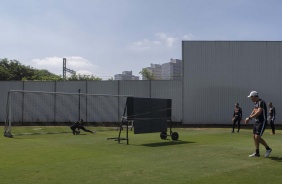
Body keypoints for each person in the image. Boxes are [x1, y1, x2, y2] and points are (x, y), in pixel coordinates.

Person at [245, 91, 272, 157]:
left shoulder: (261, 102)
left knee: (257, 137)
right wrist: (249, 117)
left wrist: (250, 118)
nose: (251, 98)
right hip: (256, 121)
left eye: (251, 97)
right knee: (254, 136)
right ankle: (257, 153)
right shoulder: (256, 103)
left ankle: (268, 149)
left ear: (254, 96)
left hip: (262, 122)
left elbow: (259, 112)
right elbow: (254, 110)